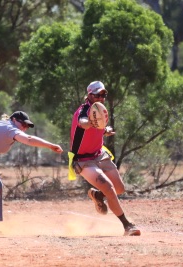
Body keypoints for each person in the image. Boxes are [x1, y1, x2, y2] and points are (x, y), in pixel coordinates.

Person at [70, 81, 141, 236]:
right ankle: (127, 225)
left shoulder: (100, 109)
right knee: (109, 188)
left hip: (99, 154)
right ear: (89, 95)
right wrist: (90, 122)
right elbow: (82, 122)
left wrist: (104, 130)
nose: (101, 98)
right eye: (98, 94)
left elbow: (97, 127)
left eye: (103, 95)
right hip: (83, 160)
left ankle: (97, 195)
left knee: (120, 188)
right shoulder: (84, 110)